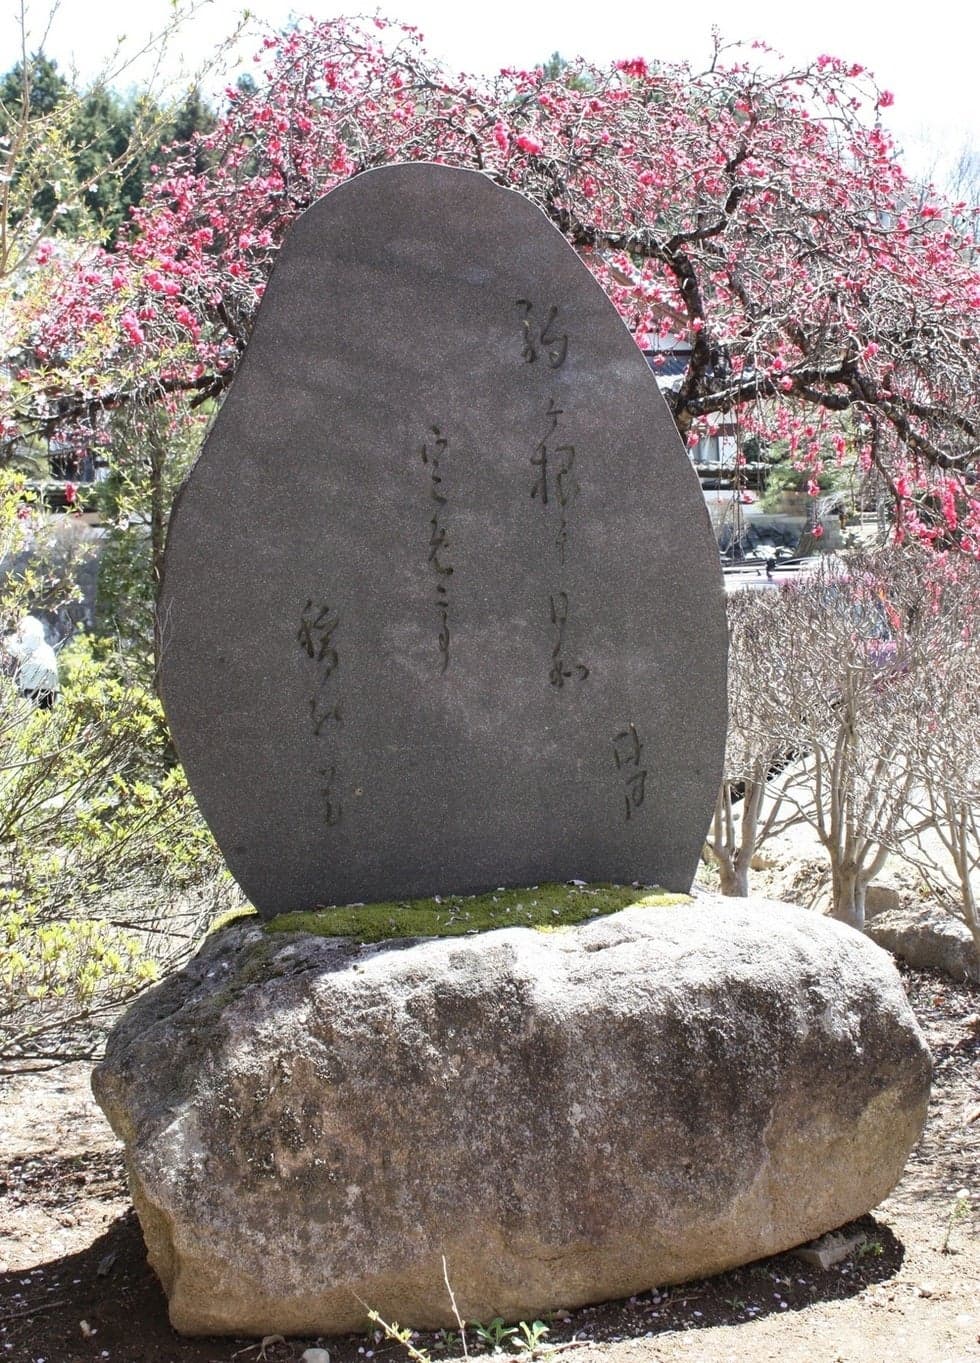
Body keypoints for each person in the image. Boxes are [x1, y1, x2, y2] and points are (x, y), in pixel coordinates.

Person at [5, 615, 60, 708]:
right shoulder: (46, 647)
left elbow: (16, 651)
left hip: (34, 686)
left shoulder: (30, 639)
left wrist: (9, 640)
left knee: (35, 715)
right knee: (46, 715)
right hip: (50, 687)